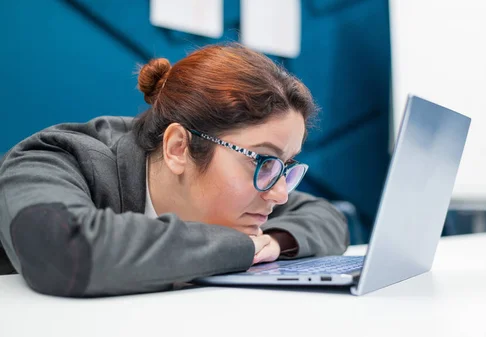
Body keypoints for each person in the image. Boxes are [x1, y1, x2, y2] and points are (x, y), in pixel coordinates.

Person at [0, 43, 349, 297]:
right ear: (178, 148)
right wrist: (242, 247)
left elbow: (325, 216)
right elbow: (63, 251)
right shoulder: (52, 157)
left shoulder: (254, 191)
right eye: (262, 160)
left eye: (284, 167)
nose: (280, 193)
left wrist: (274, 242)